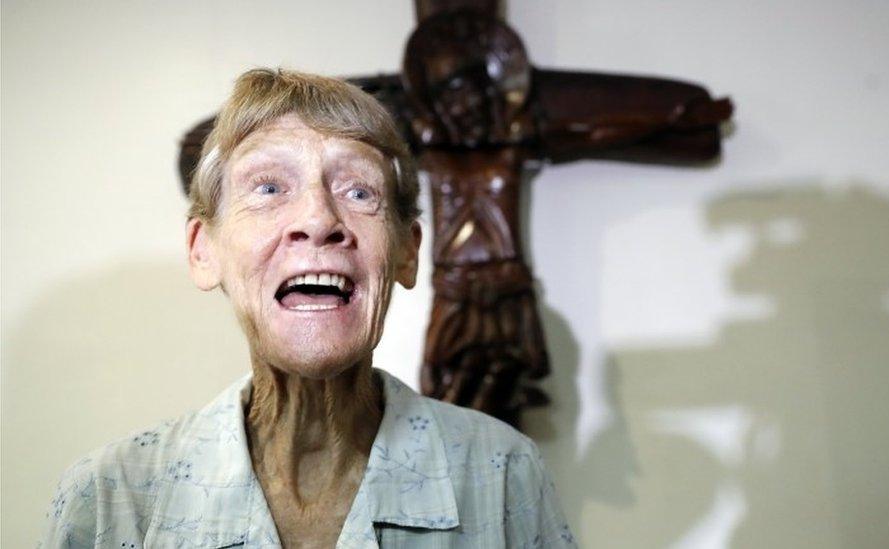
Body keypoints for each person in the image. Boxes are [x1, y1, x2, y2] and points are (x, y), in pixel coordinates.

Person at [40, 68, 575, 548]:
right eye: (269, 187)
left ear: (407, 252)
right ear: (204, 251)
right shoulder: (109, 500)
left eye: (360, 192)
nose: (318, 219)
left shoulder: (504, 474)